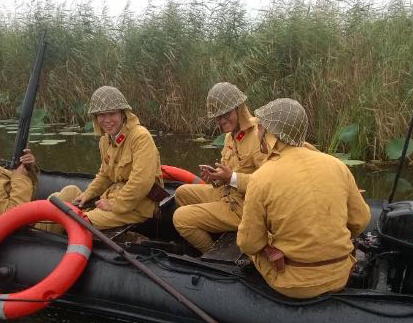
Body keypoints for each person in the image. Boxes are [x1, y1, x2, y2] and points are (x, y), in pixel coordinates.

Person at [236, 98, 372, 299]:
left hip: (294, 284)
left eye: (260, 127)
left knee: (249, 243)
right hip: (341, 275)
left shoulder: (261, 177)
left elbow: (250, 244)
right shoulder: (337, 165)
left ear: (270, 134)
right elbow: (361, 220)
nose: (258, 132)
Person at [173, 82, 269, 253]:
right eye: (218, 117)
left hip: (246, 207)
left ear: (239, 109)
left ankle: (212, 255)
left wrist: (231, 178)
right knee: (181, 192)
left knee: (181, 218)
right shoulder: (229, 137)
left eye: (226, 114)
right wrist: (215, 177)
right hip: (227, 194)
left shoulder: (258, 135)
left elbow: (269, 185)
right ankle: (216, 234)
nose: (222, 121)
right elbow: (226, 173)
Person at [0, 127, 80, 234]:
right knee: (71, 192)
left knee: (58, 196)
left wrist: (29, 168)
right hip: (30, 231)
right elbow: (13, 217)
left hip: (32, 217)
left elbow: (28, 191)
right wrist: (19, 179)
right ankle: (86, 231)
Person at [71, 86, 165, 229]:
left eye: (112, 113)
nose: (107, 120)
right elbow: (105, 175)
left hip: (139, 206)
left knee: (79, 221)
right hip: (114, 196)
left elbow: (141, 182)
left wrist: (115, 204)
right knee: (67, 194)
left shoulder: (140, 137)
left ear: (123, 114)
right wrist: (88, 194)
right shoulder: (105, 140)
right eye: (101, 115)